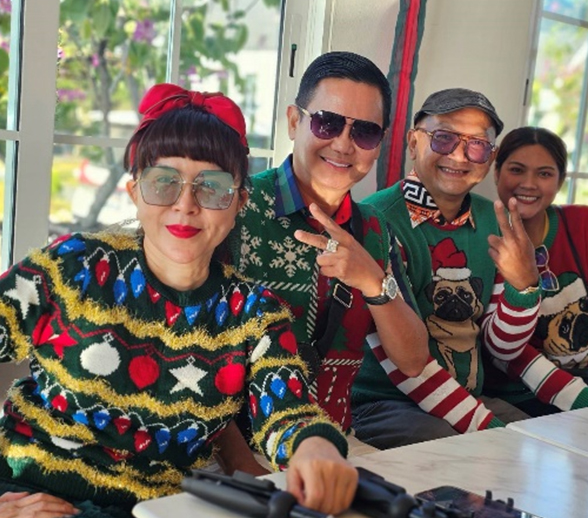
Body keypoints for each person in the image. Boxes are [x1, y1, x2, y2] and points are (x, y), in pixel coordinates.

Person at [0, 83, 357, 518]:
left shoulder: (256, 314)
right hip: (20, 492)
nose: (185, 204)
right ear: (135, 191)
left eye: (212, 187)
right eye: (163, 182)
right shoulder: (73, 266)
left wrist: (316, 447)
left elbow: (286, 413)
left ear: (239, 202)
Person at [230, 51, 428, 441]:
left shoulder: (375, 229)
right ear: (294, 121)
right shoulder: (238, 207)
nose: (343, 144)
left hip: (334, 442)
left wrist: (373, 282)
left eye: (364, 132)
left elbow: (413, 360)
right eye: (327, 122)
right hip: (237, 451)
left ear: (379, 144)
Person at [352, 88, 532, 450]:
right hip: (385, 400)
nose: (459, 155)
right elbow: (406, 367)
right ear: (413, 142)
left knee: (537, 440)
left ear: (490, 157)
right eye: (444, 138)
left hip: (465, 399)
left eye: (477, 145)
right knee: (457, 448)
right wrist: (488, 429)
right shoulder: (375, 221)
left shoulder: (495, 220)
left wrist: (524, 288)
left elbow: (502, 349)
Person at [481, 126, 588, 415]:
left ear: (561, 180)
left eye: (544, 174)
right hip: (520, 395)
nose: (529, 184)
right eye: (516, 170)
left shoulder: (584, 223)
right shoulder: (485, 236)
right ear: (496, 172)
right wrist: (581, 402)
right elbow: (504, 351)